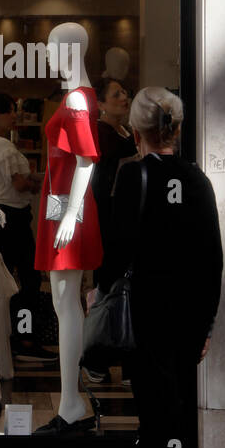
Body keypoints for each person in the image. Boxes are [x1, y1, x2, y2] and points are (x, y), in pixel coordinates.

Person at [97, 87, 223, 448]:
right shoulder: (198, 180)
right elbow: (213, 260)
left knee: (167, 429)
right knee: (159, 419)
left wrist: (100, 291)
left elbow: (118, 249)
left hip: (148, 320)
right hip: (187, 322)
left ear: (136, 130)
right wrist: (207, 324)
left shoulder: (135, 177)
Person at [0, 92, 54, 364]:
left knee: (3, 280)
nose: (14, 116)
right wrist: (37, 183)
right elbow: (19, 184)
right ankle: (24, 337)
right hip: (13, 218)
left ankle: (3, 336)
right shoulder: (5, 148)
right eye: (9, 111)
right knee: (28, 278)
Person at [86, 76, 136, 382]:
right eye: (117, 94)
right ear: (101, 104)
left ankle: (127, 356)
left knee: (127, 290)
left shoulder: (124, 132)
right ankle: (97, 359)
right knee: (106, 291)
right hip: (108, 224)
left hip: (128, 222)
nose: (125, 97)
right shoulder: (103, 134)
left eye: (125, 92)